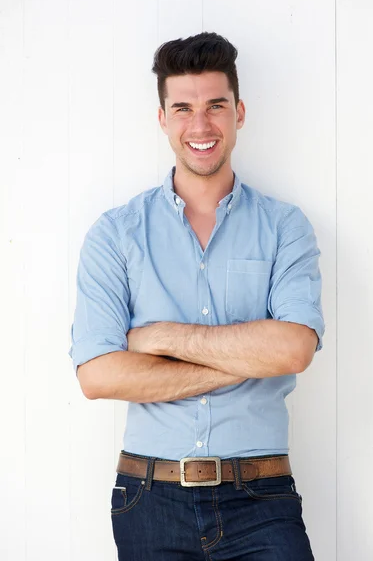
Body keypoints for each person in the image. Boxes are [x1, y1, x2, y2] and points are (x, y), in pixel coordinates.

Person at [69, 32, 325, 560]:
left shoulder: (285, 227)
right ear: (162, 118)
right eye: (183, 108)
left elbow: (295, 349)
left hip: (262, 496)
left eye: (215, 105)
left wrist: (162, 338)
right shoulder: (116, 234)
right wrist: (247, 358)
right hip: (148, 497)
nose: (200, 125)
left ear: (240, 112)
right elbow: (98, 376)